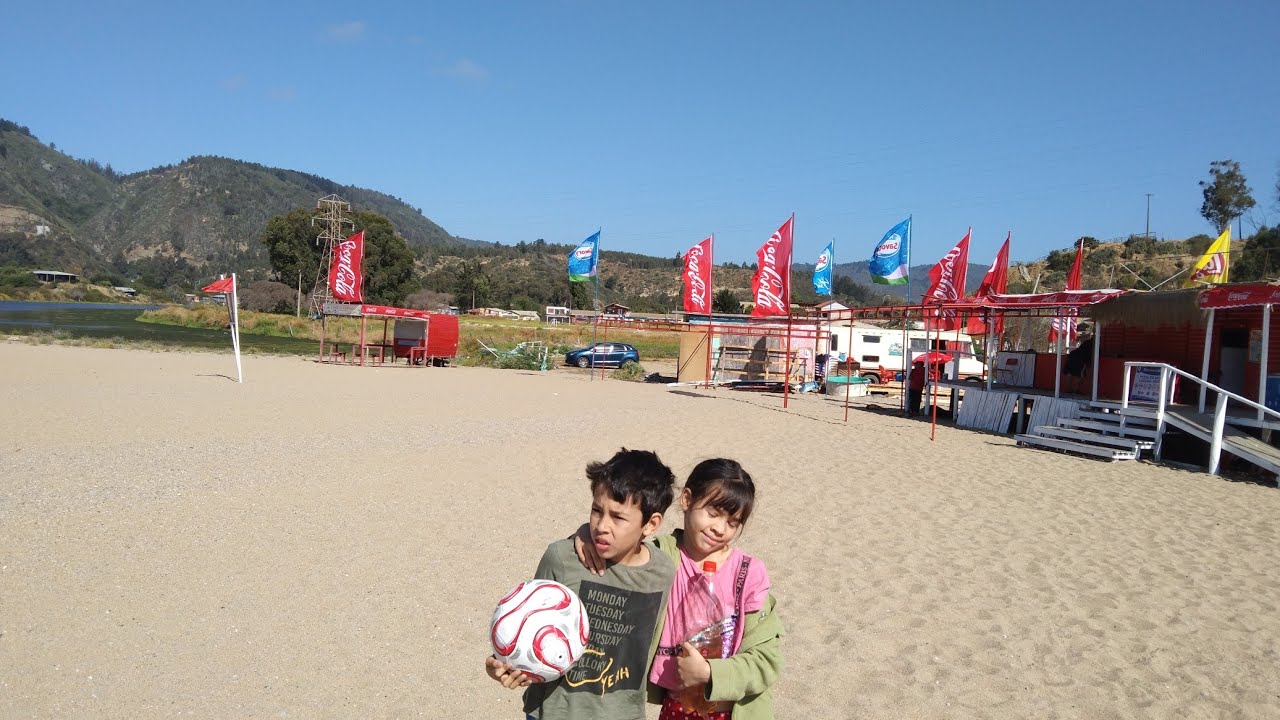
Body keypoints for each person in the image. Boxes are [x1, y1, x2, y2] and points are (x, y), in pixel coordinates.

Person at [576, 459, 783, 720]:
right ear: (686, 499)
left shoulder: (748, 574)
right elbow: (619, 546)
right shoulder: (659, 557)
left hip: (732, 712)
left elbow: (767, 660)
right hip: (676, 708)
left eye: (732, 523)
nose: (719, 528)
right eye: (713, 513)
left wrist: (710, 674)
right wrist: (584, 534)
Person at [485, 448, 677, 720]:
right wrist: (503, 665)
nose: (602, 526)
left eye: (618, 517)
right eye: (597, 511)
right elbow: (525, 625)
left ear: (651, 524)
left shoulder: (663, 570)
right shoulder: (563, 558)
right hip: (555, 713)